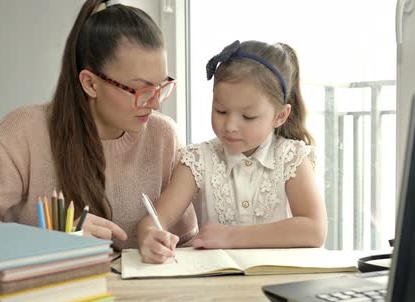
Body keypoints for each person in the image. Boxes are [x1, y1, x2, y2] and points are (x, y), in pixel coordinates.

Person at [0, 0, 197, 252]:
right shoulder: (25, 131)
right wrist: (49, 240)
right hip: (48, 298)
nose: (155, 104)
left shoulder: (164, 136)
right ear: (90, 83)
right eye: (140, 90)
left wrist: (162, 244)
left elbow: (186, 241)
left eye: (160, 87)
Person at [138, 40, 327, 263]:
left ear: (280, 116)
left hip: (277, 282)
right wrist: (150, 236)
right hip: (217, 285)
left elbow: (315, 230)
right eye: (221, 110)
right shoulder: (198, 159)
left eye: (247, 117)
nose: (230, 126)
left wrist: (231, 236)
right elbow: (154, 220)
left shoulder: (291, 157)